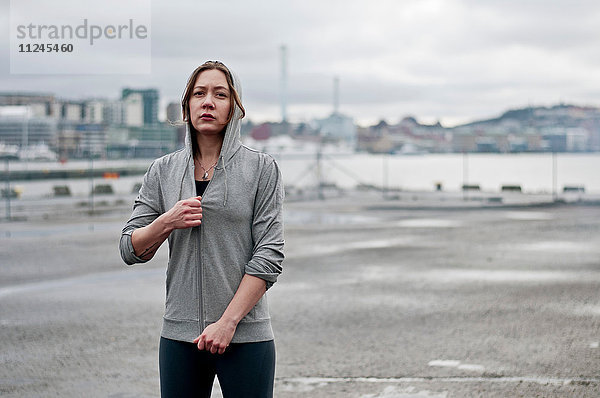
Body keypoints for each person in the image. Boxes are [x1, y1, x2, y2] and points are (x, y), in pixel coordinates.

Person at [119, 60, 285, 398]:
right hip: (179, 338)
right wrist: (168, 220)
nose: (207, 101)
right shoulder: (162, 171)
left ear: (234, 108)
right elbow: (130, 248)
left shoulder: (262, 169)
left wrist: (228, 323)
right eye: (199, 93)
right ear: (187, 107)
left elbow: (269, 256)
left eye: (219, 94)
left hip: (245, 336)